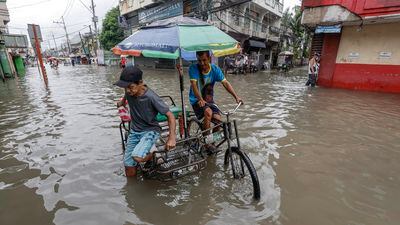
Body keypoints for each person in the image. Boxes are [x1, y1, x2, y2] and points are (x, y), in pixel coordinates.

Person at [115, 65, 176, 177]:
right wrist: (121, 103)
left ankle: (154, 154)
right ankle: (132, 190)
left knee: (137, 156)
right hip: (134, 131)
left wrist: (172, 138)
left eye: (131, 87)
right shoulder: (129, 92)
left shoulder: (151, 97)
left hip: (150, 130)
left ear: (140, 83)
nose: (128, 91)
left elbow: (170, 115)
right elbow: (125, 97)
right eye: (125, 88)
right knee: (128, 165)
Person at [188, 51, 242, 151]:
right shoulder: (193, 68)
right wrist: (200, 99)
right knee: (208, 112)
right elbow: (194, 86)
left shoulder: (215, 69)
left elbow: (225, 83)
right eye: (199, 60)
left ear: (209, 58)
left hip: (209, 99)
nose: (202, 63)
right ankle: (206, 142)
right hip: (196, 99)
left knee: (218, 119)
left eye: (204, 60)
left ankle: (212, 142)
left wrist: (236, 97)